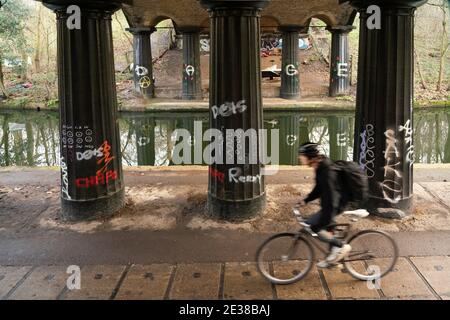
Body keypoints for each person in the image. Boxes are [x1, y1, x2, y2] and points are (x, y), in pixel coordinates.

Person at [297, 142, 352, 268]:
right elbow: (319, 188)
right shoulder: (320, 166)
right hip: (331, 203)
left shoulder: (326, 170)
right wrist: (306, 200)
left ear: (309, 156)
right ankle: (332, 260)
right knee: (326, 228)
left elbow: (331, 196)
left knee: (314, 226)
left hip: (336, 204)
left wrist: (326, 218)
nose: (300, 158)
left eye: (302, 155)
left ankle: (341, 245)